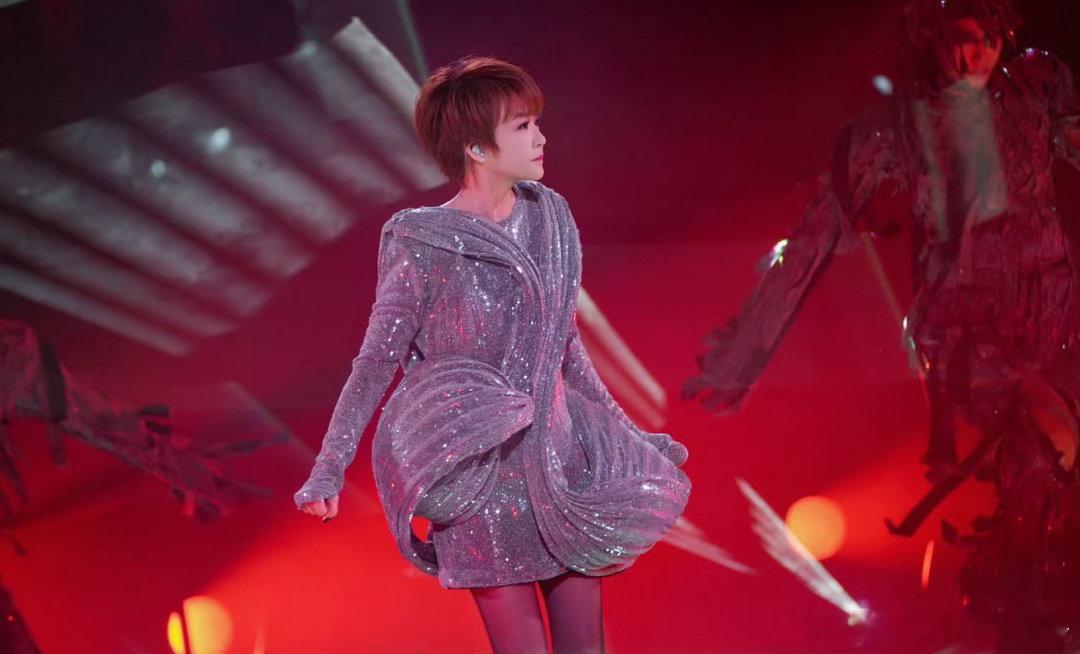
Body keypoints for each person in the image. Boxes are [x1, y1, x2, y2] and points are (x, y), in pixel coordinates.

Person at [684, 1, 1080, 651]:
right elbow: (814, 240)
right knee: (1044, 437)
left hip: (1052, 319)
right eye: (963, 38)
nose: (978, 53)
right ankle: (1021, 606)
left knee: (1045, 468)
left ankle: (1022, 594)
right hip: (966, 333)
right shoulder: (897, 128)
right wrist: (741, 356)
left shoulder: (1034, 91)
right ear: (932, 38)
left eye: (989, 38)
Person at [295, 56, 690, 654]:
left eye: (537, 122)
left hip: (562, 466)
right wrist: (329, 466)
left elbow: (564, 349)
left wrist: (629, 435)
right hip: (479, 480)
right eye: (523, 126)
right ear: (476, 148)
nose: (541, 137)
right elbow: (376, 361)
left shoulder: (551, 217)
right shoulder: (421, 239)